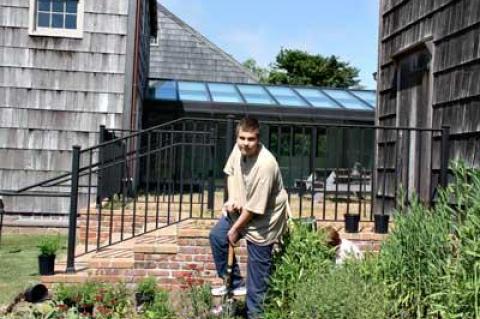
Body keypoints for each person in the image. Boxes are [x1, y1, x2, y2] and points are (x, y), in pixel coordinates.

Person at [209, 117, 290, 318]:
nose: (245, 143)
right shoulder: (239, 150)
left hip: (265, 220)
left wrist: (235, 229)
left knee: (257, 276)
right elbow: (230, 173)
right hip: (242, 207)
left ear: (258, 139)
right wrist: (232, 199)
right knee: (218, 236)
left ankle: (255, 313)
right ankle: (236, 284)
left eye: (251, 139)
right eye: (242, 138)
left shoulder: (266, 165)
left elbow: (255, 209)